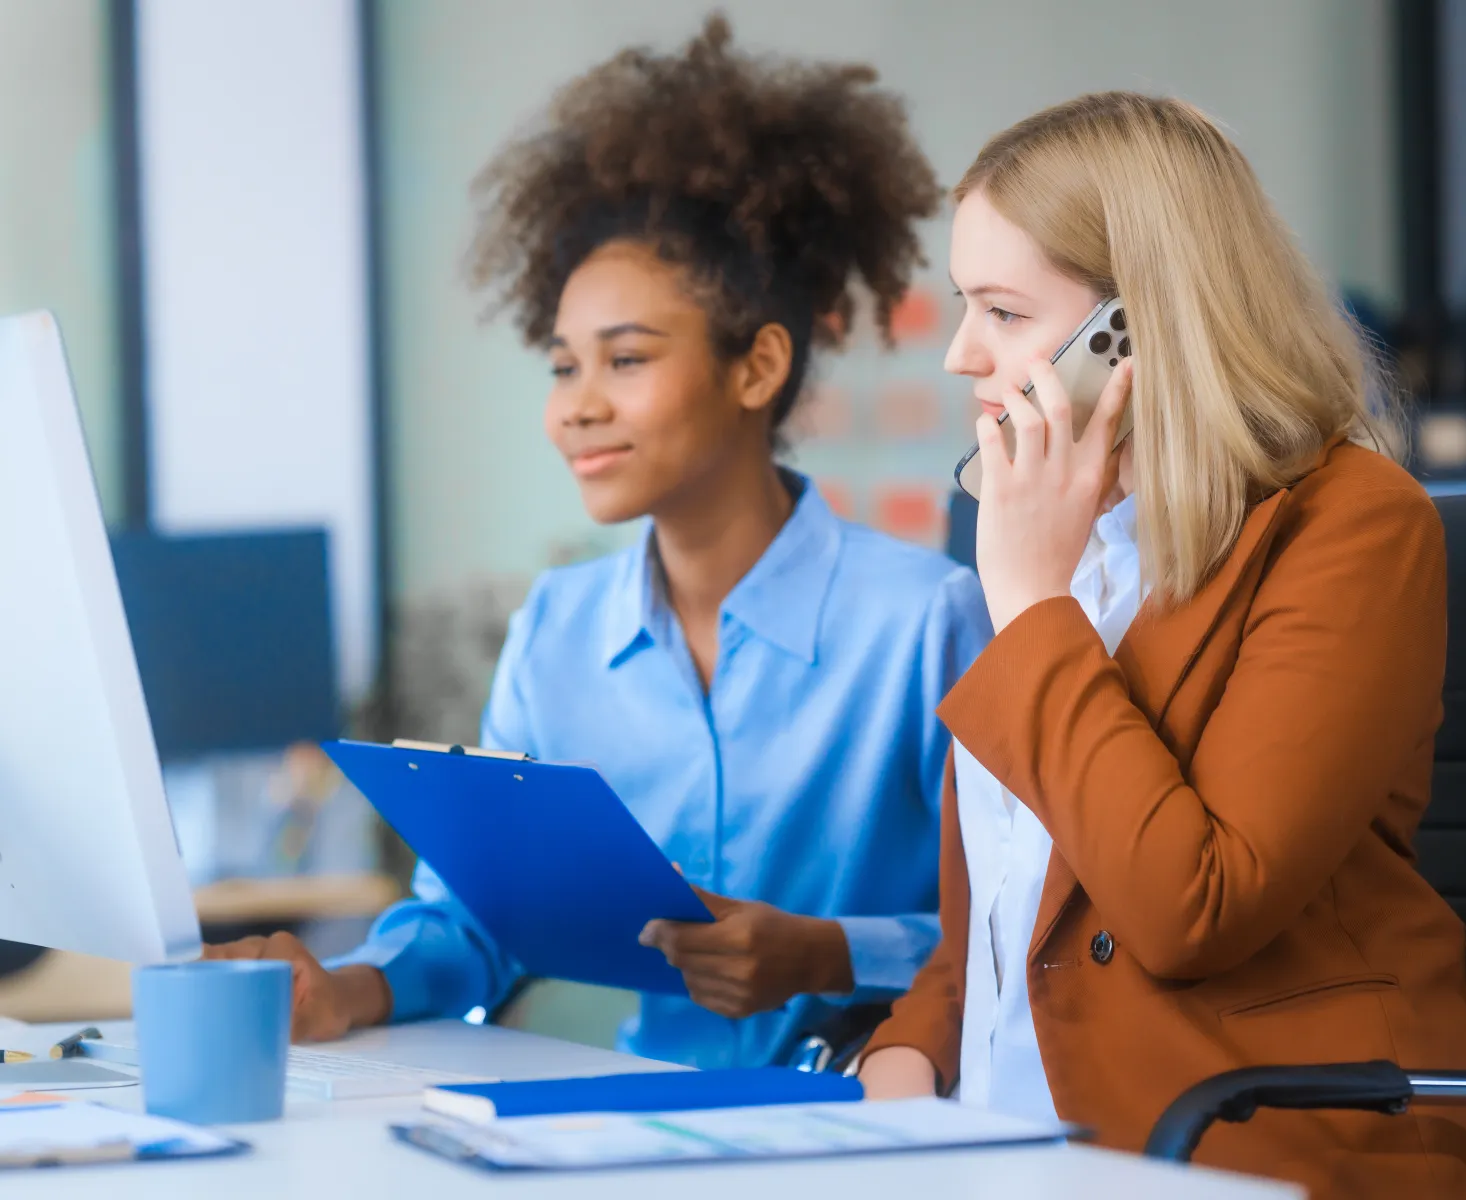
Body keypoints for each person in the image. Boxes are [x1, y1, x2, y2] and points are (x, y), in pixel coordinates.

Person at [206, 18, 991, 1070]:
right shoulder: (558, 628)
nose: (577, 408)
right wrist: (342, 990)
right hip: (635, 1121)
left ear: (757, 368)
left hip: (883, 1121)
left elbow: (1025, 928)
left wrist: (827, 954)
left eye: (623, 360)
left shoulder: (923, 619)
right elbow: (480, 923)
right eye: (561, 367)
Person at [855, 93, 1466, 1198]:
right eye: (961, 305)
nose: (961, 354)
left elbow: (1192, 907)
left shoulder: (1349, 523)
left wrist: (1032, 605)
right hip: (1001, 1151)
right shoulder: (1054, 542)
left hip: (1250, 1146)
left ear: (1138, 325)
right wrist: (902, 1057)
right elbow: (1000, 923)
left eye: (1002, 310)